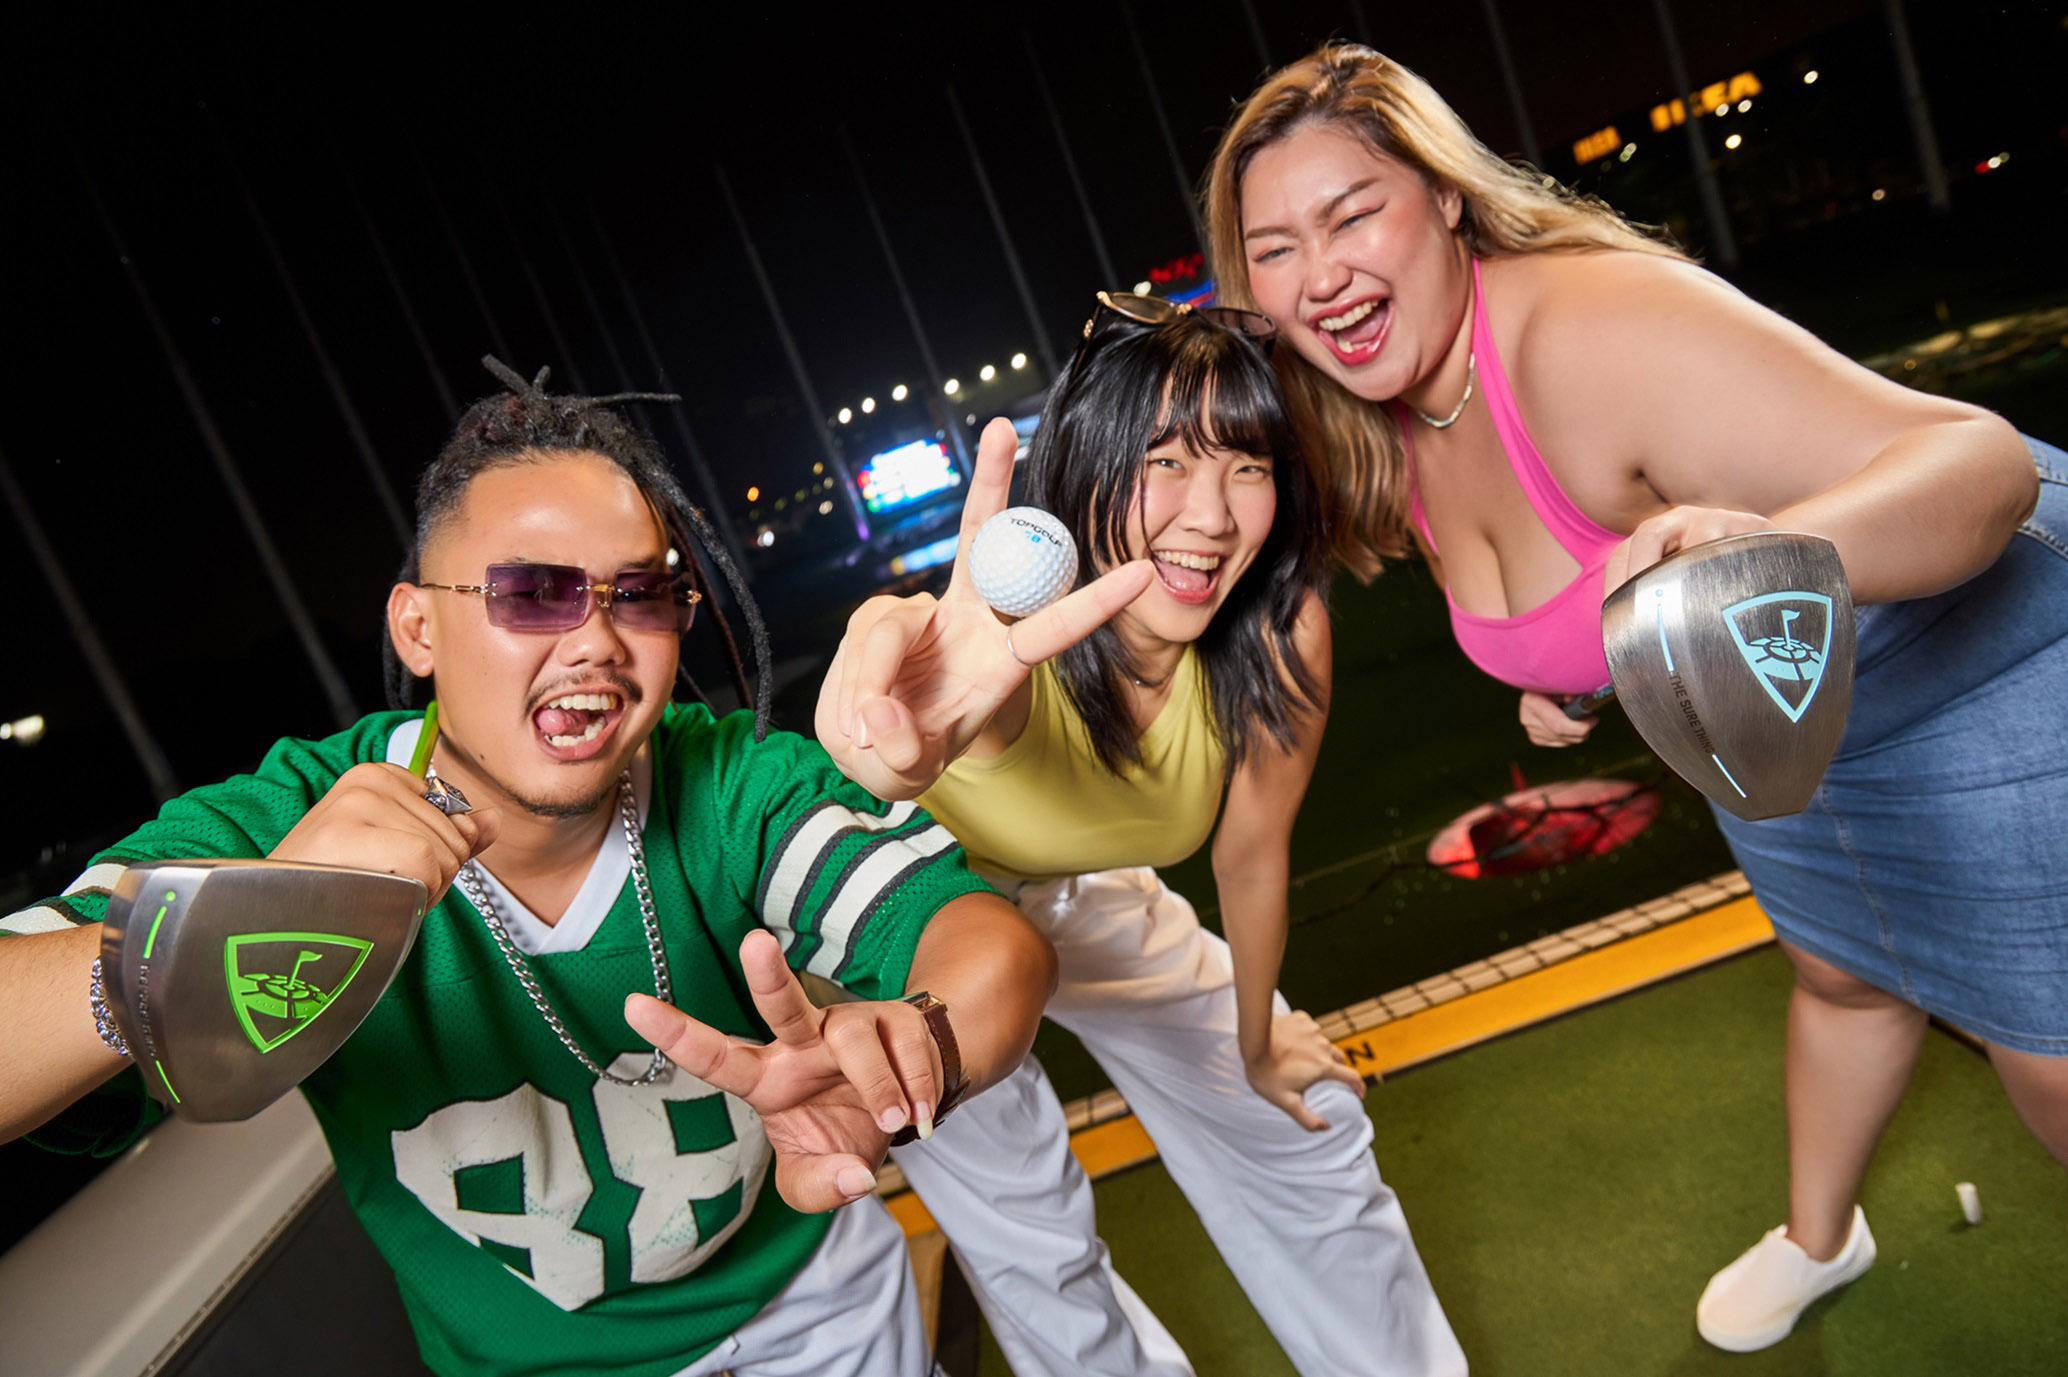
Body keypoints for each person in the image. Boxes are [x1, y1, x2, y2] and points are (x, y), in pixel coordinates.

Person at [1203, 41, 2068, 1354]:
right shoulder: (1383, 408)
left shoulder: (1590, 332)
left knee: (2047, 1054)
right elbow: (1594, 574)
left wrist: (1760, 563)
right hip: (1782, 714)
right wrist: (1589, 680)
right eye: (1275, 249)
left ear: (1443, 196)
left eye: (1352, 214)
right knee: (1842, 978)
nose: (1317, 274)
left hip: (1979, 654)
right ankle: (1822, 1239)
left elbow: (1980, 466)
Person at [0, 361, 1088, 1377]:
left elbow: (986, 944)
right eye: (532, 593)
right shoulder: (290, 825)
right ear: (417, 627)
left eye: (642, 593)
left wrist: (915, 1051)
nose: (600, 642)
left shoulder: (724, 785)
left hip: (824, 1314)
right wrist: (229, 928)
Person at [818, 302, 1466, 1376]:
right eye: (1164, 461)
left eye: (1246, 465)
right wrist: (886, 673)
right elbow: (931, 679)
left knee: (1304, 1119)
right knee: (1034, 1237)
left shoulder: (1277, 631)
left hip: (1076, 890)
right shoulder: (1007, 638)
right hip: (900, 923)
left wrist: (1254, 1043)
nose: (1210, 515)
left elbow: (1248, 855)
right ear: (1087, 469)